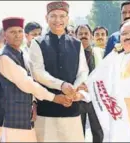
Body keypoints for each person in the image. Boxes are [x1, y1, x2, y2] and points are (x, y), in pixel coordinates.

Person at [78, 20, 130, 142]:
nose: (129, 36)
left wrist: (93, 88)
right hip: (120, 130)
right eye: (124, 34)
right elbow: (100, 79)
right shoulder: (116, 58)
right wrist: (82, 94)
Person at [0, 17, 71, 142]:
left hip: (25, 119)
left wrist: (33, 102)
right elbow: (26, 83)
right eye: (12, 32)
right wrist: (54, 98)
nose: (17, 35)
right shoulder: (3, 57)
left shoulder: (23, 53)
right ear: (4, 35)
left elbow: (32, 78)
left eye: (19, 31)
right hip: (8, 121)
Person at [29, 1, 89, 142]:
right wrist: (62, 85)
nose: (58, 20)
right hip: (47, 111)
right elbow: (38, 73)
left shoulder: (76, 43)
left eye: (62, 16)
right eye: (53, 16)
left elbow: (83, 71)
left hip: (72, 109)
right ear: (46, 18)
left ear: (67, 19)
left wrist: (73, 90)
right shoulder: (37, 43)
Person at [75, 24, 103, 142]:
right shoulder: (71, 54)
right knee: (77, 133)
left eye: (86, 34)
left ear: (91, 36)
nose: (83, 36)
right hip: (77, 98)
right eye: (80, 34)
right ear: (75, 37)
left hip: (95, 99)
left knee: (98, 131)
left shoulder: (100, 53)